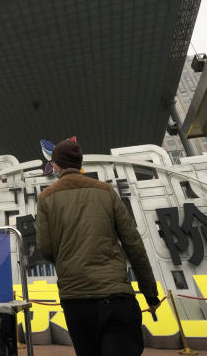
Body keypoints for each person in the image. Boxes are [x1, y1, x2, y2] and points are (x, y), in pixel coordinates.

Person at [36, 139, 161, 356]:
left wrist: (69, 260)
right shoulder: (106, 191)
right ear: (79, 162)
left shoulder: (46, 198)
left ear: (55, 165)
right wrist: (150, 293)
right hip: (116, 296)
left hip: (77, 300)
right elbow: (133, 243)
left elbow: (45, 248)